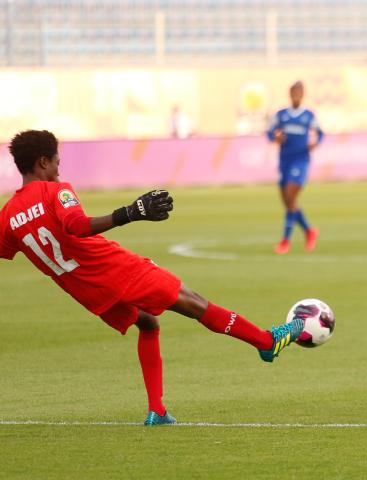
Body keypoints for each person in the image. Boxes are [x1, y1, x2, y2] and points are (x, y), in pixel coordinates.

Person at [0, 130, 305, 425]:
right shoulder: (56, 190)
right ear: (43, 162)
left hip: (87, 291)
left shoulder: (8, 215)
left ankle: (157, 410)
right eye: (56, 162)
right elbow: (76, 225)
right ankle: (266, 342)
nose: (58, 169)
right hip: (115, 269)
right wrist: (130, 212)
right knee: (193, 302)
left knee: (148, 323)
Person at [266, 81, 323, 254]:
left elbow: (321, 133)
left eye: (299, 93)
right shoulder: (282, 115)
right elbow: (269, 132)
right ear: (290, 94)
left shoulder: (308, 116)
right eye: (294, 93)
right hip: (284, 160)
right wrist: (276, 138)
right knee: (288, 202)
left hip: (301, 160)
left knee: (291, 197)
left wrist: (315, 143)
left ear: (303, 95)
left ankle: (285, 241)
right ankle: (309, 231)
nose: (296, 96)